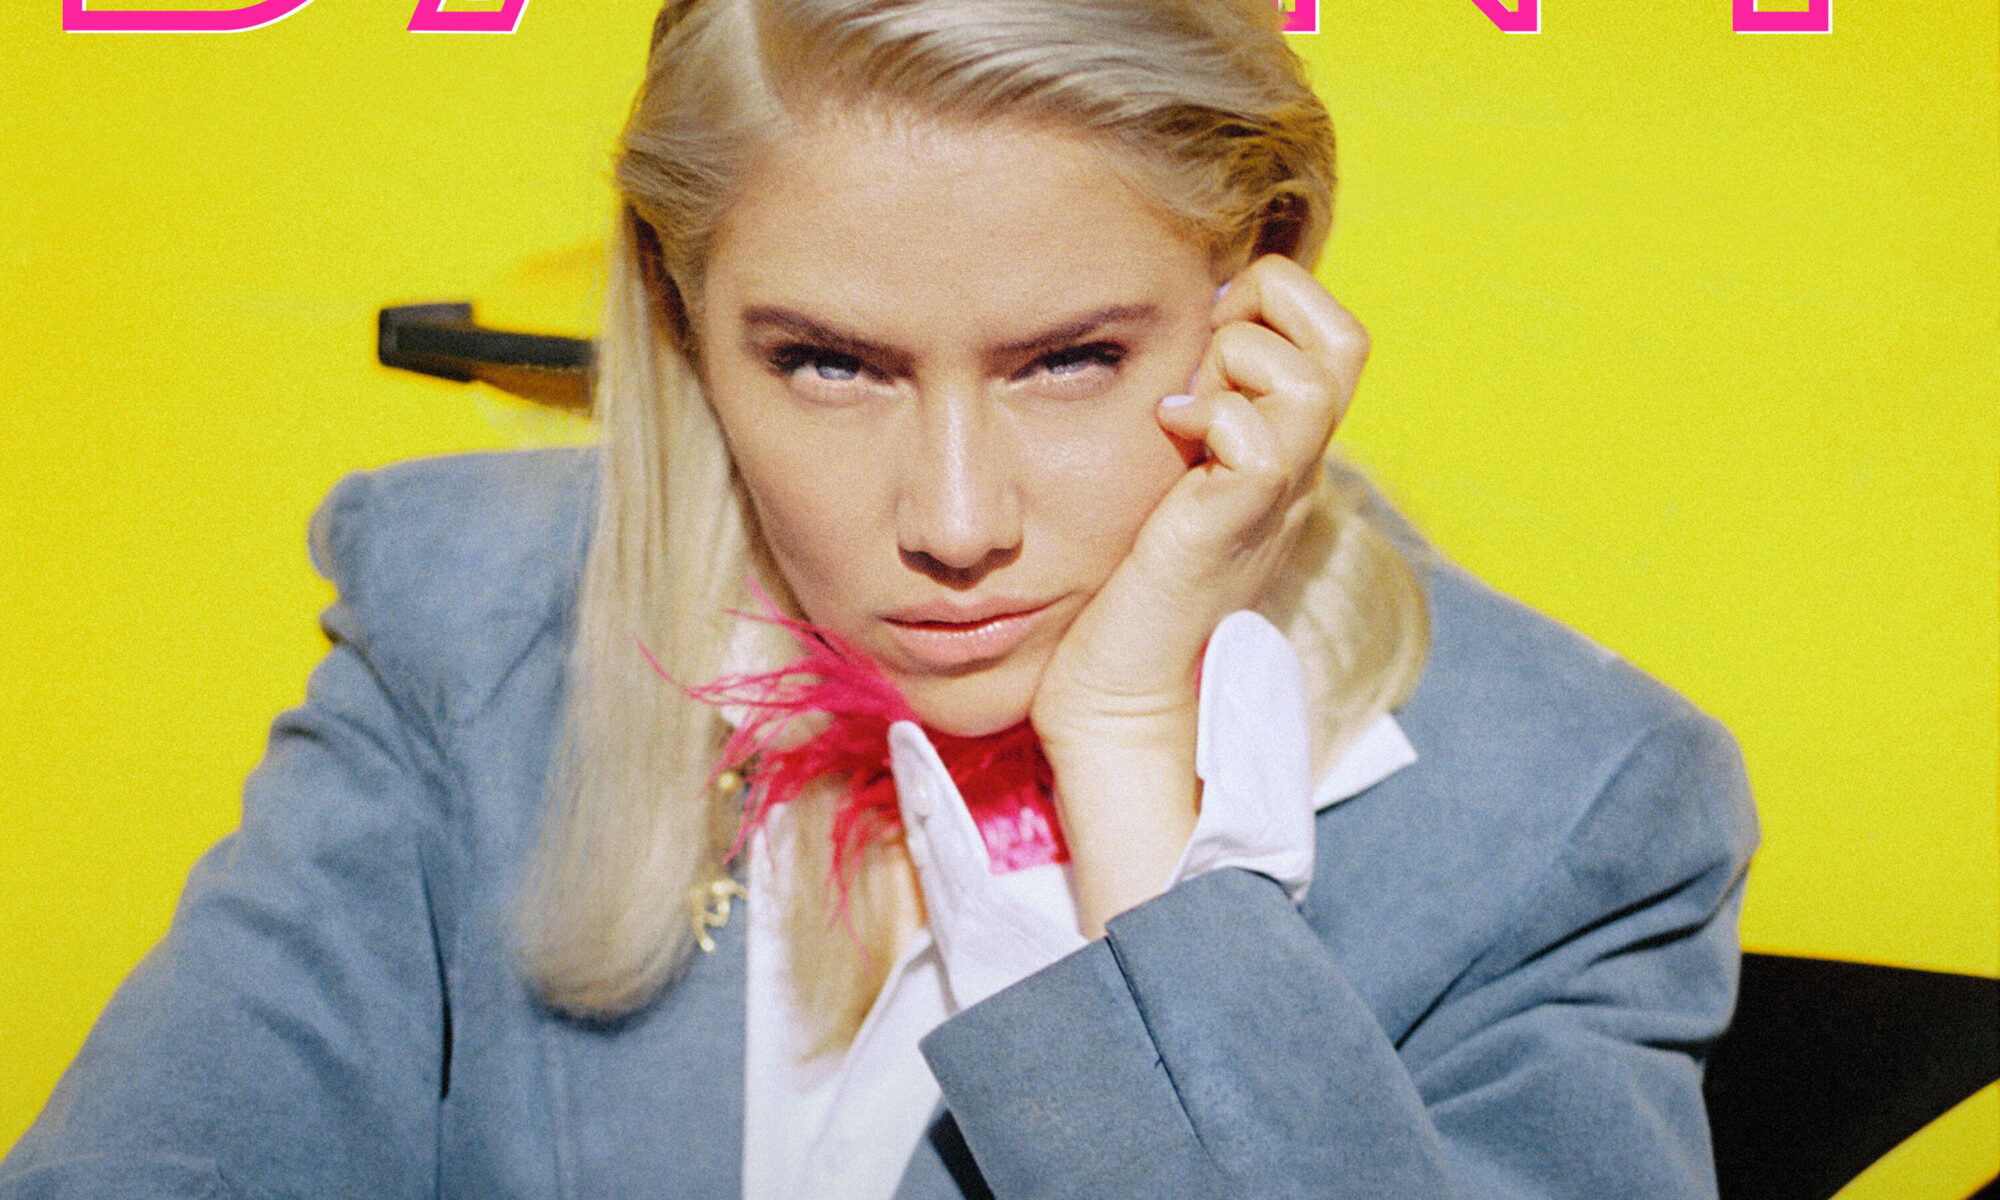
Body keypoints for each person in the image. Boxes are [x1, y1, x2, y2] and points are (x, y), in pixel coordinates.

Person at [1, 0, 1757, 1196]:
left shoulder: (1575, 814)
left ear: (1265, 288)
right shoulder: (467, 627)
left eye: (1070, 359)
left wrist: (1129, 764)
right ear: (679, 313)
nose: (957, 522)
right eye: (829, 364)